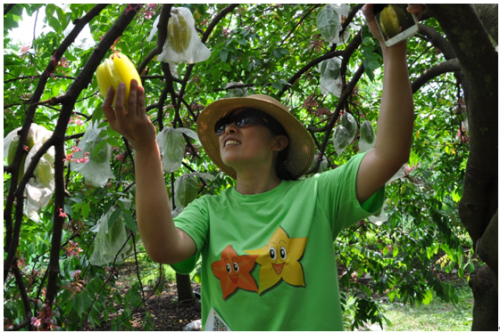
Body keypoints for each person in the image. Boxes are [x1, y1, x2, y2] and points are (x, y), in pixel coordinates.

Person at [102, 4, 425, 330]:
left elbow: (389, 154)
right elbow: (162, 247)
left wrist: (393, 50)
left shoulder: (317, 196)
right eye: (223, 126)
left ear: (278, 142)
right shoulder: (208, 212)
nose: (228, 129)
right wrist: (145, 147)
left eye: (243, 120)